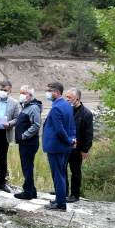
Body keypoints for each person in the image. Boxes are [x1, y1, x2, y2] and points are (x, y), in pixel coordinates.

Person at [42, 82, 76, 211]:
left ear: (57, 93)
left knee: (58, 175)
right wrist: (73, 139)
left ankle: (60, 203)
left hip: (56, 146)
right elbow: (72, 126)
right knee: (61, 173)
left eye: (49, 90)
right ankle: (59, 199)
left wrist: (69, 140)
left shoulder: (56, 108)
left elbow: (60, 129)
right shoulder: (67, 105)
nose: (47, 92)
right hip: (65, 146)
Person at [64, 88, 94, 203]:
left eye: (69, 97)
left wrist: (84, 149)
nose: (67, 99)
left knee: (75, 171)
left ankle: (75, 194)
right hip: (65, 147)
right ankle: (63, 191)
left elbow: (88, 133)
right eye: (66, 97)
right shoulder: (67, 110)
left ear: (77, 99)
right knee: (62, 170)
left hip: (77, 149)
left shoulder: (86, 113)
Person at [14, 85, 42, 200]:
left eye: (23, 93)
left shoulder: (33, 107)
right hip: (25, 143)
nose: (21, 95)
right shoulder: (25, 106)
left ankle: (28, 192)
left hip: (29, 143)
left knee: (27, 167)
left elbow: (36, 125)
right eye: (20, 92)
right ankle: (32, 191)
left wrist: (23, 136)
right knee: (26, 166)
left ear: (30, 95)